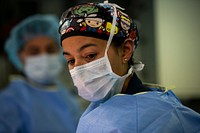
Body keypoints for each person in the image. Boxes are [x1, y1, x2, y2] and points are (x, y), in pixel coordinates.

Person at [58, 1, 200, 133]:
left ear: (125, 50)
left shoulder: (165, 116)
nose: (78, 69)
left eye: (90, 55)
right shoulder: (96, 110)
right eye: (70, 60)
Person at [0, 14, 83, 133]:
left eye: (50, 50)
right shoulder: (10, 100)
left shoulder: (64, 94)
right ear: (20, 56)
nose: (44, 56)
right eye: (34, 51)